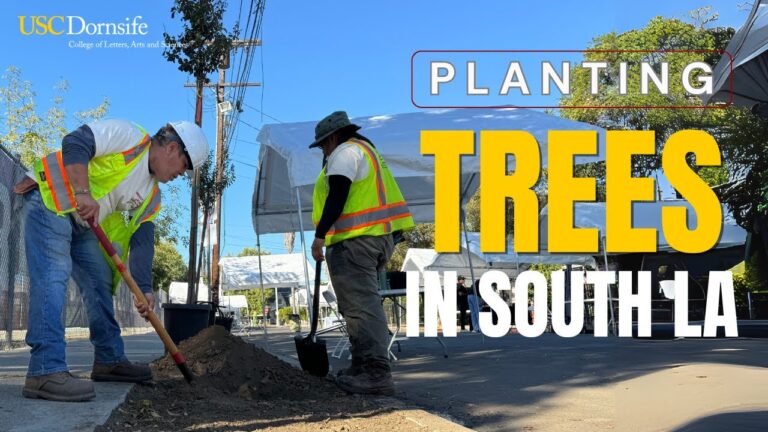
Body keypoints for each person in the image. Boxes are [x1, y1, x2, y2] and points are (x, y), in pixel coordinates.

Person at [13, 119, 209, 402]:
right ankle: (44, 370)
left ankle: (109, 359)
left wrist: (144, 288)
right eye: (184, 166)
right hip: (49, 197)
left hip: (81, 222)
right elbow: (75, 142)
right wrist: (82, 192)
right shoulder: (129, 137)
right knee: (53, 275)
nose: (182, 174)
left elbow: (143, 239)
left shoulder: (152, 195)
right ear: (173, 148)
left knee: (99, 280)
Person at [310, 111, 414, 395]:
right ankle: (361, 367)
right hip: (371, 239)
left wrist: (320, 236)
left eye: (322, 145)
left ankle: (375, 372)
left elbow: (338, 194)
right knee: (359, 305)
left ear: (332, 137)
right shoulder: (366, 151)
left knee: (361, 307)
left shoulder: (345, 153)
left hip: (355, 240)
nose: (323, 151)